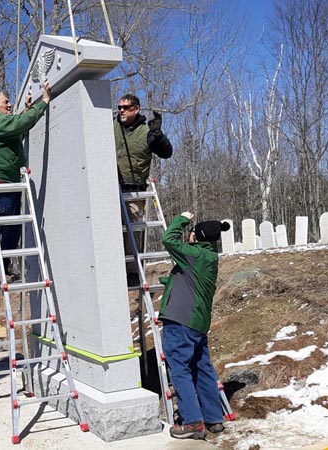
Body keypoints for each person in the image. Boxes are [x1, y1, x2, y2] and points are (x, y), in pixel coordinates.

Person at [159, 212, 230, 440]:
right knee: (202, 368)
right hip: (198, 323)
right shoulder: (209, 256)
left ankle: (193, 423)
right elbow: (190, 280)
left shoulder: (194, 254)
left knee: (180, 369)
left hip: (180, 321)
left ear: (197, 237)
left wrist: (181, 219)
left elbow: (168, 239)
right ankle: (213, 419)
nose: (188, 234)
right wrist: (167, 281)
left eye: (191, 232)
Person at [0, 82, 51, 283]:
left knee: (10, 226)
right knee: (3, 225)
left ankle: (2, 267)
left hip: (6, 178)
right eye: (6, 102)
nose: (10, 105)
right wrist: (44, 102)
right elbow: (19, 125)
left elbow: (18, 130)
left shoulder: (0, 123)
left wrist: (28, 111)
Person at [114, 94, 173, 285]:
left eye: (126, 107)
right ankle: (110, 270)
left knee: (132, 232)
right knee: (109, 230)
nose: (121, 110)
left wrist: (158, 136)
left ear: (136, 108)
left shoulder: (146, 132)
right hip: (109, 188)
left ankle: (132, 273)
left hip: (134, 190)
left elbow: (166, 153)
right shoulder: (109, 127)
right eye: (119, 107)